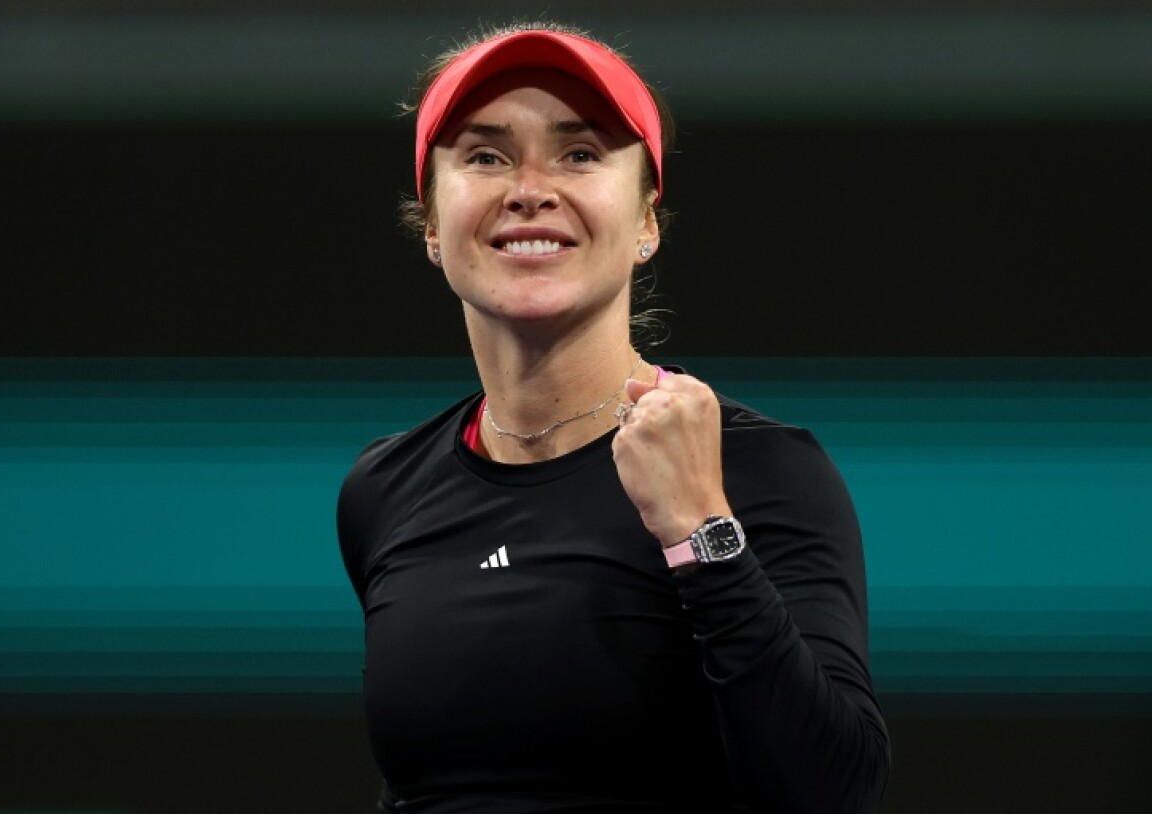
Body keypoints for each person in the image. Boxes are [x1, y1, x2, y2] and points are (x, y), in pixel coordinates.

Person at [337, 21, 890, 813]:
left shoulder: (760, 472)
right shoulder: (384, 489)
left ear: (646, 224)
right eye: (486, 155)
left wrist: (700, 531)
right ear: (430, 223)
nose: (530, 187)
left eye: (581, 153)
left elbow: (834, 792)